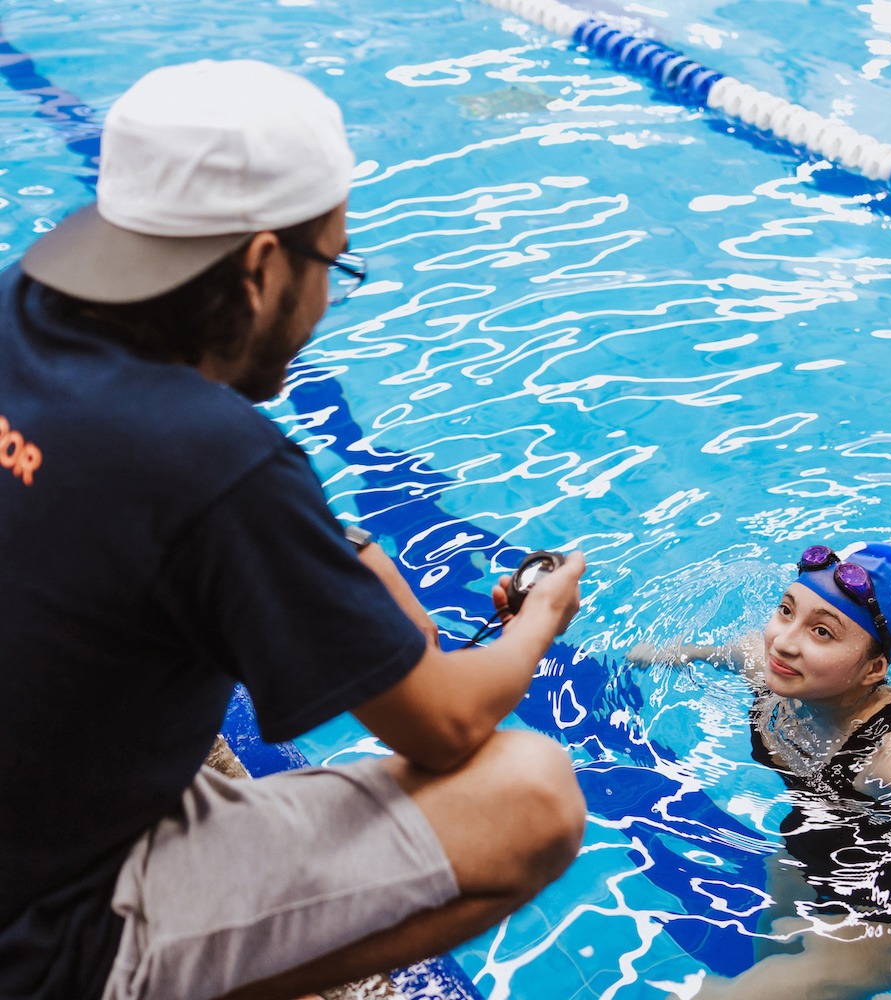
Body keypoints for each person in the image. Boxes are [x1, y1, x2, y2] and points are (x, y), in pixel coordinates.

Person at [0, 59, 588, 1000]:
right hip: (45, 929)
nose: (322, 309)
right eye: (333, 269)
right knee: (532, 796)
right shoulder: (214, 462)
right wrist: (539, 620)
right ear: (263, 264)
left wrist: (338, 554)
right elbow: (443, 725)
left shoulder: (18, 306)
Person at [631, 542, 891, 1000]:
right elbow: (718, 653)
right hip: (808, 852)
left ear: (874, 668)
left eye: (822, 633)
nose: (784, 641)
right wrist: (658, 655)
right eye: (787, 610)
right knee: (764, 960)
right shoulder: (770, 669)